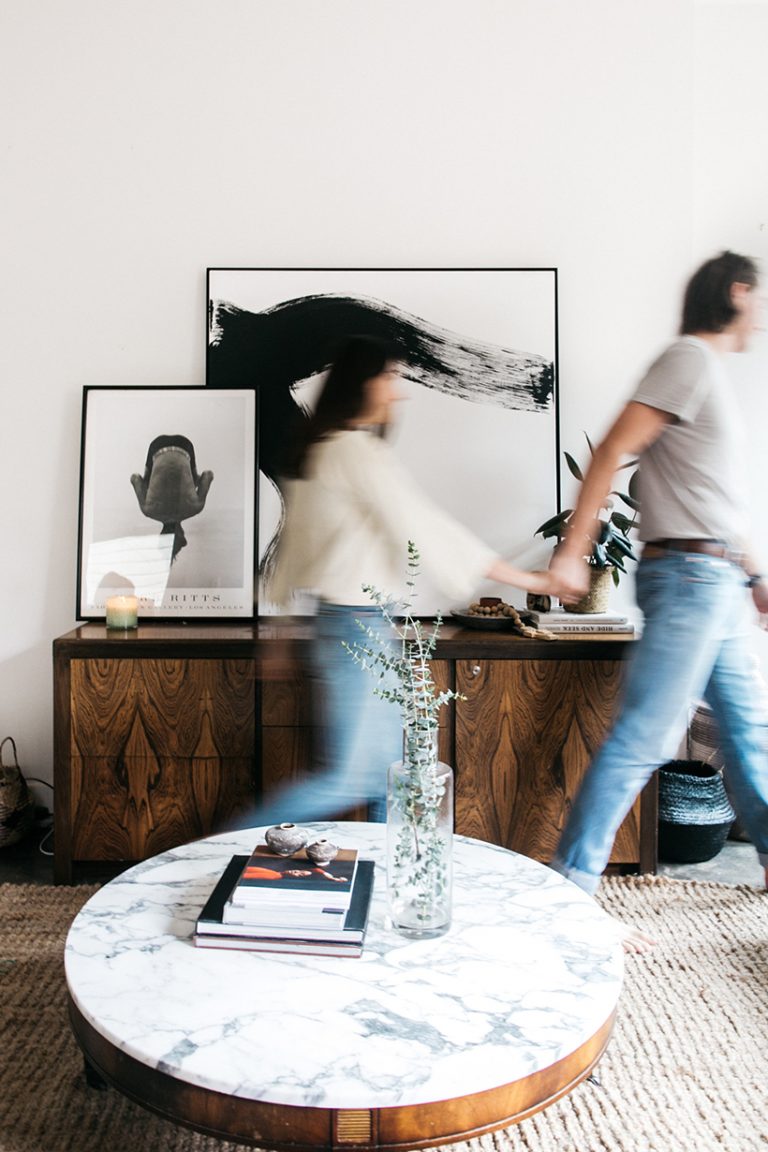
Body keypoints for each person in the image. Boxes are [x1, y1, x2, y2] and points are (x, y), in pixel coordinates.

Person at [547, 251, 768, 948]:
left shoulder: (709, 375)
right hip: (692, 581)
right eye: (759, 296)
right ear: (738, 291)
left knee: (750, 734)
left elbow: (716, 502)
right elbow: (611, 449)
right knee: (644, 736)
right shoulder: (689, 359)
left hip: (721, 582)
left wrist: (755, 577)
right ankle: (571, 896)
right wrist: (572, 551)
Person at [257, 334, 552, 825]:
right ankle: (219, 856)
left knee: (389, 775)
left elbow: (295, 550)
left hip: (350, 625)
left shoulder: (322, 451)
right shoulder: (352, 451)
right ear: (364, 382)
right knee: (352, 778)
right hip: (358, 626)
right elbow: (426, 527)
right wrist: (527, 579)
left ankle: (386, 880)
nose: (400, 391)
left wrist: (281, 635)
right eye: (391, 376)